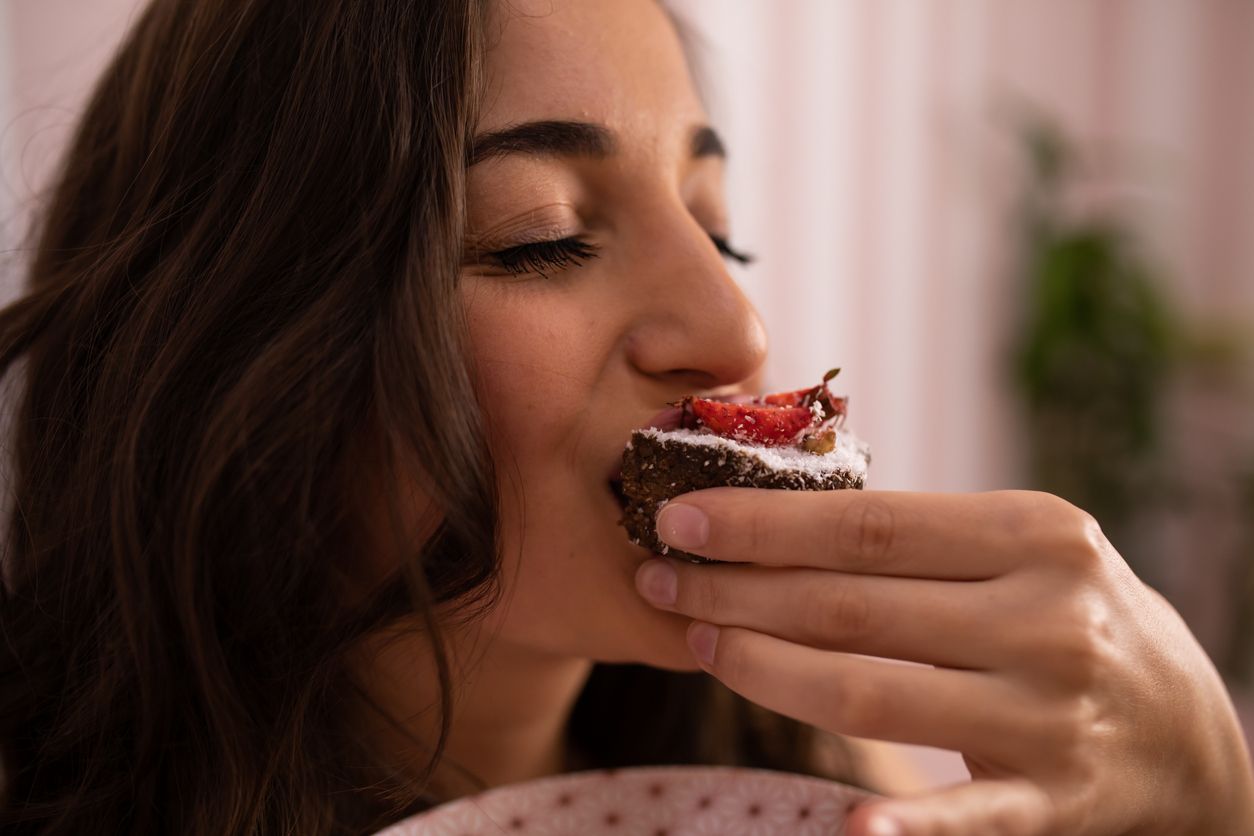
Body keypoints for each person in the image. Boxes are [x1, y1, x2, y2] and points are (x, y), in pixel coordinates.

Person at [1, 1, 1251, 834]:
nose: (737, 330)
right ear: (242, 345)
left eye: (718, 226)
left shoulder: (808, 778)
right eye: (541, 236)